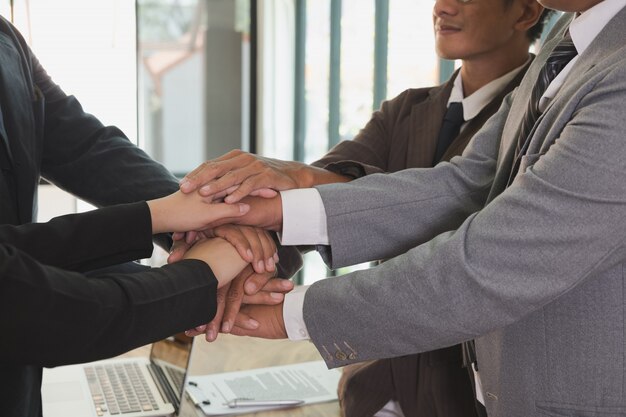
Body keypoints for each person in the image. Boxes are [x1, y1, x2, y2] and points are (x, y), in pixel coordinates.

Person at [187, 1, 626, 416]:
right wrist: (281, 212)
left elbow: (495, 263)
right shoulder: (569, 39)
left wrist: (288, 311)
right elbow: (465, 183)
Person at [0, 13, 288, 417]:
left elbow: (87, 148)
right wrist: (199, 279)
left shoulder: (5, 39)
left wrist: (198, 220)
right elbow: (31, 302)